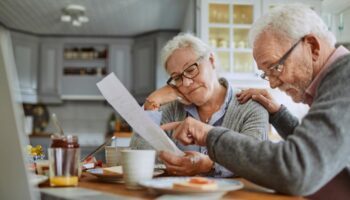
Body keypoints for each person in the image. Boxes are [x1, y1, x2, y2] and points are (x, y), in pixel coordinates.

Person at [161, 4, 350, 199]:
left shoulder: (345, 77)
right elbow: (321, 153)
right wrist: (279, 116)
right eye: (266, 74)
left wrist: (209, 135)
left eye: (275, 67)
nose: (273, 84)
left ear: (312, 46)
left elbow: (298, 169)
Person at [130, 33, 269, 177]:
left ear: (211, 60)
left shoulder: (251, 106)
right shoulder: (170, 109)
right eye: (177, 78)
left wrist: (210, 165)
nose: (186, 83)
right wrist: (151, 102)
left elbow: (255, 163)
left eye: (191, 70)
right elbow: (137, 158)